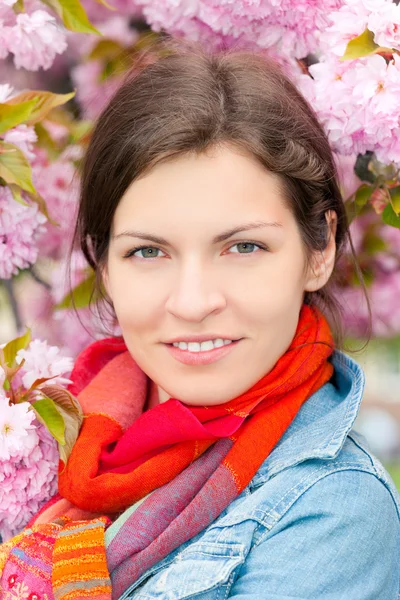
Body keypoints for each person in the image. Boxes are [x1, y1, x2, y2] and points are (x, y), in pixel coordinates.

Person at [1, 40, 399, 600]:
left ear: (320, 249)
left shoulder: (334, 512)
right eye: (148, 252)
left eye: (243, 248)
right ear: (105, 265)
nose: (192, 302)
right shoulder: (44, 439)